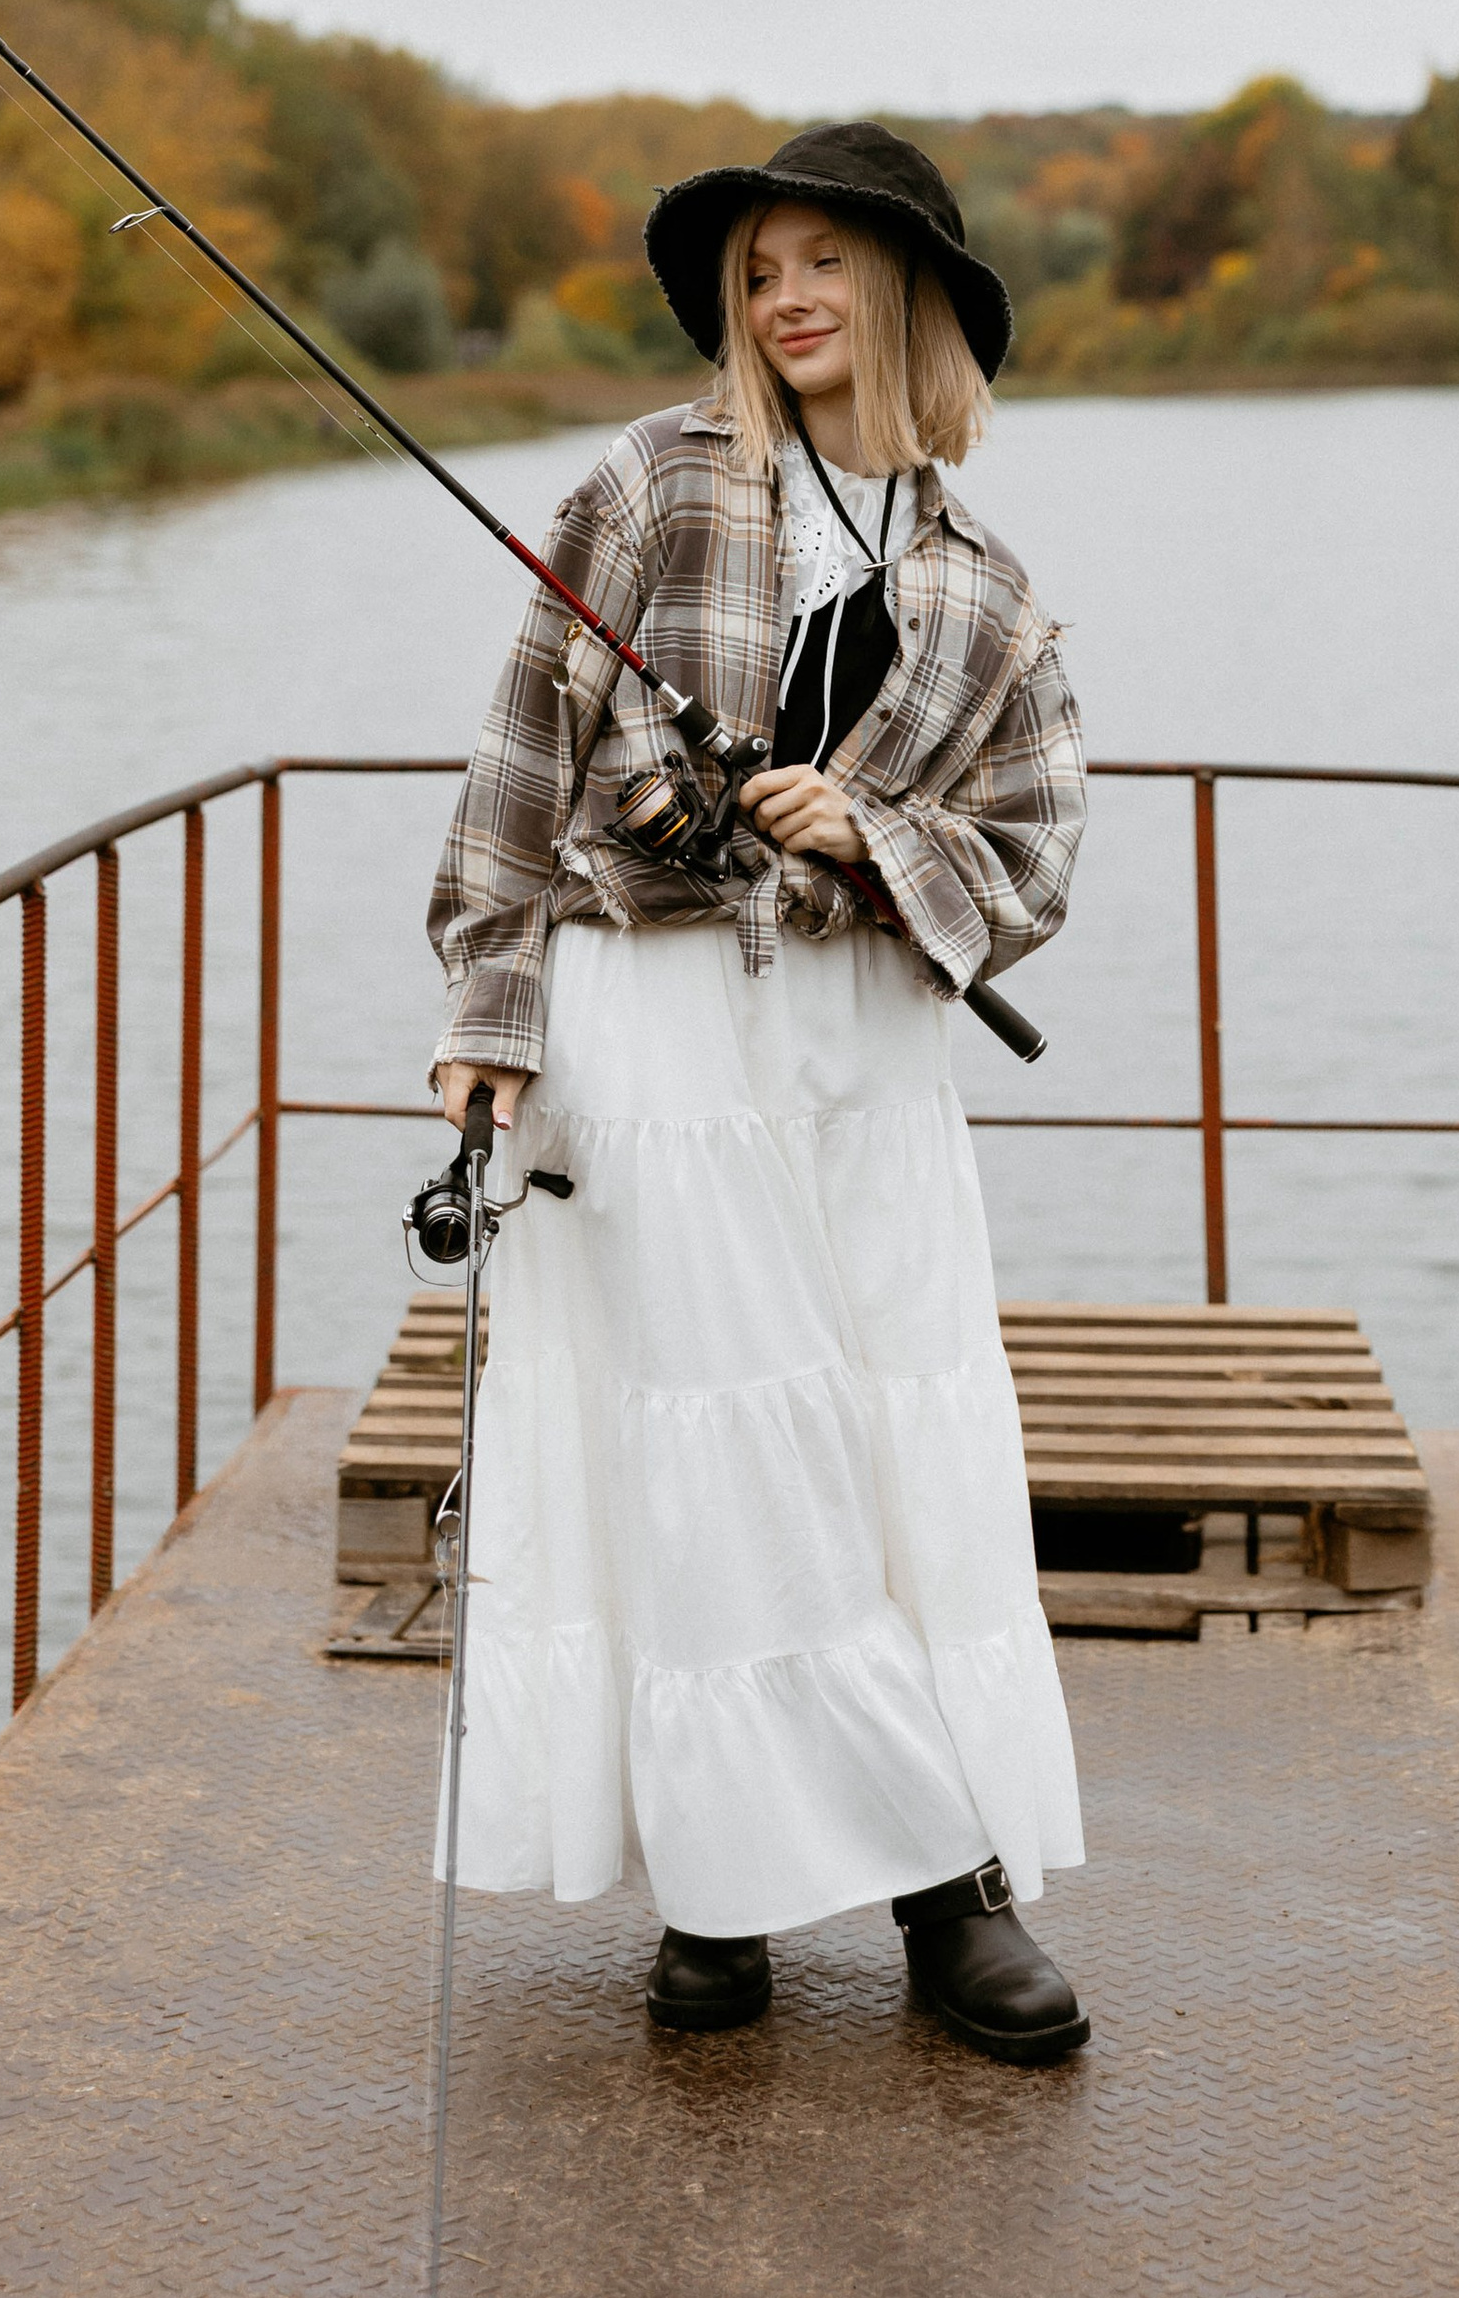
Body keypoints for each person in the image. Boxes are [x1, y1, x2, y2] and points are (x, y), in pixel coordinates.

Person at [425, 122, 1090, 2061]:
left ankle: (943, 1894)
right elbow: (517, 760)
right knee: (708, 1446)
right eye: (759, 271)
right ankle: (714, 1903)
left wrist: (874, 832)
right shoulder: (644, 484)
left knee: (889, 1435)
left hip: (863, 1054)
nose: (785, 296)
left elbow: (1035, 855)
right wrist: (487, 1018)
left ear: (905, 294)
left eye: (822, 263)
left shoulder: (984, 588)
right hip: (647, 1035)